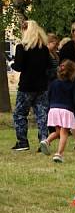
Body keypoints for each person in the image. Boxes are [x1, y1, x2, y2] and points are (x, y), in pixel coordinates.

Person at [11, 20, 50, 151]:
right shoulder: (44, 48)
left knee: (20, 114)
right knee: (42, 114)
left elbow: (18, 67)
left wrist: (12, 63)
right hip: (42, 86)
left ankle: (22, 142)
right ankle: (44, 140)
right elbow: (49, 66)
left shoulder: (21, 47)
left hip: (26, 87)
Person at [40, 60, 75, 163]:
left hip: (53, 109)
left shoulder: (53, 83)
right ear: (73, 73)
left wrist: (51, 106)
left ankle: (47, 140)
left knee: (58, 131)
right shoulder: (74, 85)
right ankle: (59, 153)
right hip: (66, 110)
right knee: (64, 133)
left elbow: (48, 96)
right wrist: (74, 110)